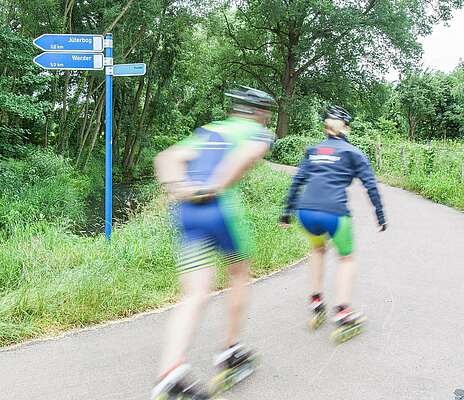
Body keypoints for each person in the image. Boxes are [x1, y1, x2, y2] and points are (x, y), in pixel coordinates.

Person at [151, 87, 276, 399]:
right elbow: (247, 155)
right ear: (260, 113)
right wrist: (215, 186)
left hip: (185, 213)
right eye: (267, 115)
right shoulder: (258, 132)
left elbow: (166, 158)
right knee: (239, 272)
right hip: (219, 208)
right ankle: (230, 352)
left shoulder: (209, 130)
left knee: (194, 292)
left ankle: (171, 372)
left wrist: (181, 189)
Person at [279, 105, 386, 343]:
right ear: (346, 127)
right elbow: (370, 185)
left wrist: (286, 213)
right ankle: (343, 312)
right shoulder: (353, 153)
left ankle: (316, 301)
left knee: (317, 250)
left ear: (325, 128)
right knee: (346, 258)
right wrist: (380, 214)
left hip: (306, 213)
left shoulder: (314, 150)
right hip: (334, 213)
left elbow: (297, 181)